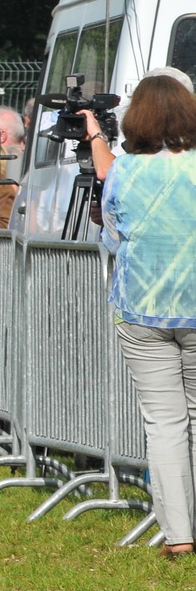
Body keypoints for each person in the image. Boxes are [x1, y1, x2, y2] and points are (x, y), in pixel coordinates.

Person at [92, 74, 196, 559]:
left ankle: (178, 535)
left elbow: (112, 238)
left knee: (164, 424)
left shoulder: (125, 171)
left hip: (141, 307)